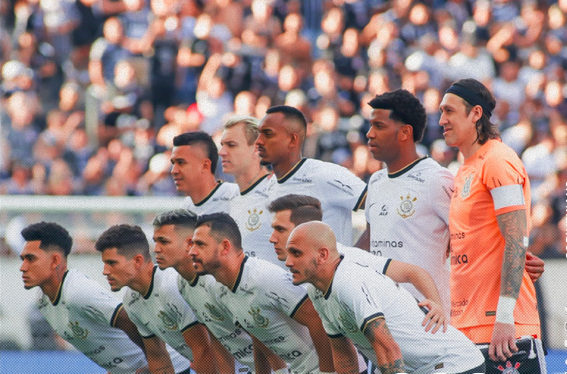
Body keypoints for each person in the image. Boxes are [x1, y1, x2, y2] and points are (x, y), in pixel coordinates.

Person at [359, 89, 545, 318]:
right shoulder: (376, 182)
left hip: (428, 318)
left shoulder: (437, 180)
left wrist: (521, 256)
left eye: (378, 126)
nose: (369, 134)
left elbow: (472, 234)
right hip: (382, 312)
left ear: (405, 132)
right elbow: (370, 239)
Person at [286, 221, 486, 374]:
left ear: (322, 255)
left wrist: (438, 305)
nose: (288, 262)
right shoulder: (315, 289)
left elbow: (387, 348)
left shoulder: (348, 282)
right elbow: (342, 352)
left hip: (455, 364)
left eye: (296, 253)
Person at [439, 78, 541, 363]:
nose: (441, 120)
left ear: (476, 113)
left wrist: (504, 317)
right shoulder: (464, 168)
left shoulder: (498, 159)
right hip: (466, 325)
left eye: (449, 111)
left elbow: (517, 238)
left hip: (501, 327)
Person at [267, 193, 447, 332]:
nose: (272, 238)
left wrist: (437, 306)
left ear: (303, 230)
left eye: (280, 230)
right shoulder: (296, 269)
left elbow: (413, 272)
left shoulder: (349, 259)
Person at [189, 212, 335, 374]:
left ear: (225, 247)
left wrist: (326, 372)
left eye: (200, 244)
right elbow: (258, 334)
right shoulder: (220, 289)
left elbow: (318, 320)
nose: (192, 252)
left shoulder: (264, 278)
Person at [151, 209, 287, 374]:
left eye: (163, 241)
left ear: (188, 243)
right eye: (155, 241)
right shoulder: (182, 283)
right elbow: (217, 336)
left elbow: (259, 335)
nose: (156, 249)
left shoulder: (213, 281)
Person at [19, 221, 148, 374]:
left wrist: (154, 365)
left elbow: (131, 322)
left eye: (31, 259)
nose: (23, 267)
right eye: (23, 259)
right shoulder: (42, 301)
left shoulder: (77, 292)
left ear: (55, 261)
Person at [94, 223, 216, 374]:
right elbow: (157, 356)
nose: (105, 271)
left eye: (112, 263)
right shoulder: (131, 301)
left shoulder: (170, 285)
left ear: (138, 261)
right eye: (104, 264)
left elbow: (204, 348)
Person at [255, 105, 367, 245]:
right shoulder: (269, 185)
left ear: (292, 140)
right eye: (259, 134)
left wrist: (357, 256)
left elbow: (380, 206)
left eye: (268, 134)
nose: (259, 141)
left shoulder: (325, 175)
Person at [219, 115, 278, 266]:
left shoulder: (277, 194)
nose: (222, 152)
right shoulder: (230, 198)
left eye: (231, 145)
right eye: (222, 145)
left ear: (257, 148)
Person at [171, 131, 239, 214]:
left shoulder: (235, 196)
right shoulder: (185, 209)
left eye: (181, 162)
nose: (174, 171)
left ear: (205, 165)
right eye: (173, 163)